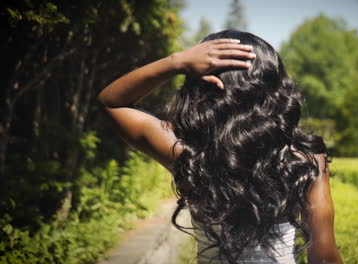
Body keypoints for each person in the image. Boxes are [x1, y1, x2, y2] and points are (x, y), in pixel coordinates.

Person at [98, 30, 343, 264]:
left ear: (201, 90)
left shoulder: (188, 154)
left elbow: (112, 102)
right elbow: (325, 258)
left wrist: (177, 62)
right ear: (272, 87)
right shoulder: (304, 160)